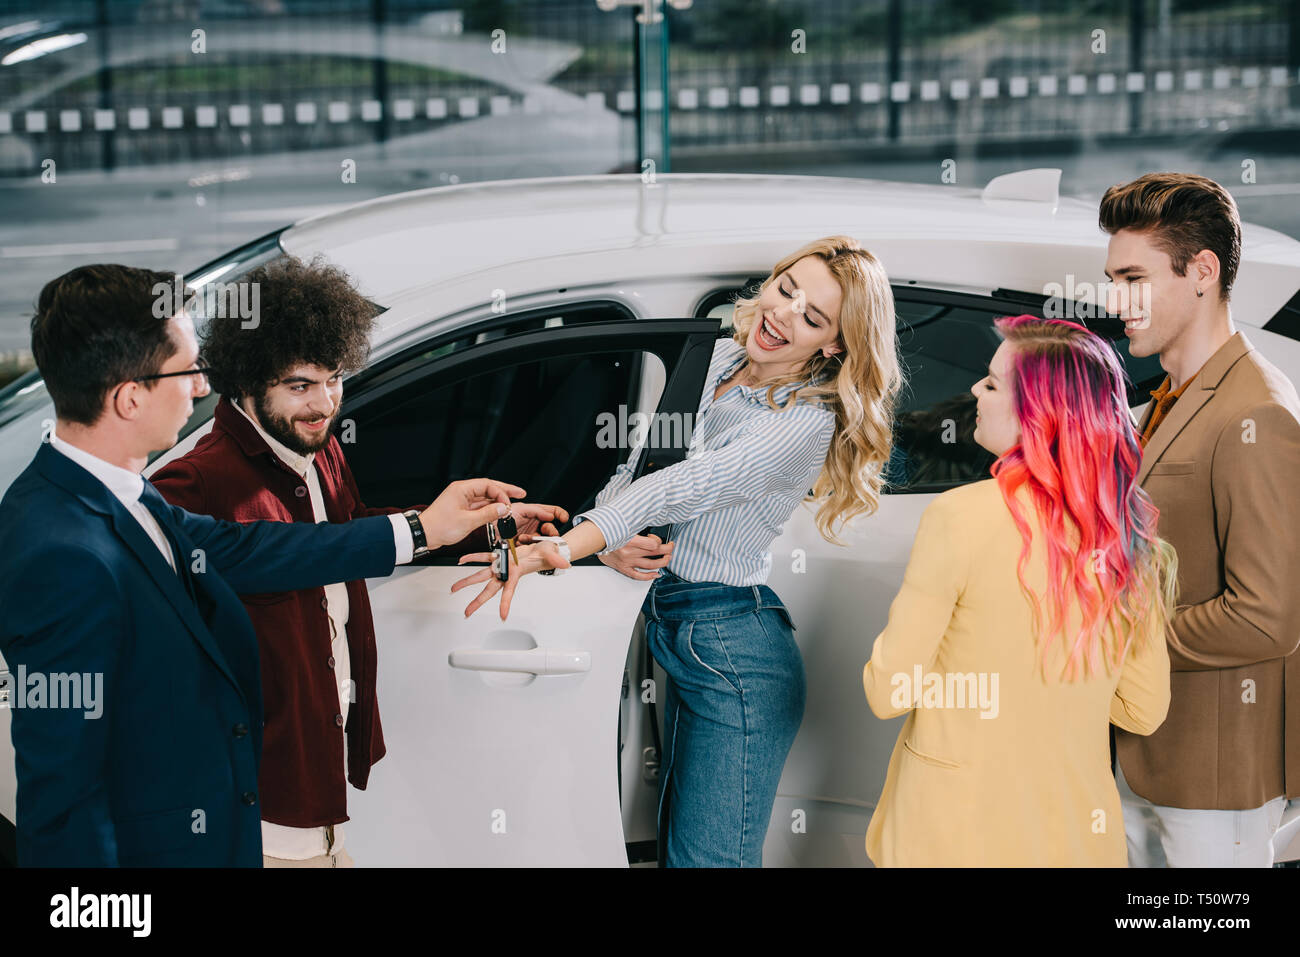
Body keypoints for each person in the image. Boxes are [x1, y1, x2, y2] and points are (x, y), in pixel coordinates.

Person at [0, 263, 530, 866]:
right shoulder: (59, 548)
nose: (203, 388)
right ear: (128, 397)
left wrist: (427, 527)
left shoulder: (122, 494)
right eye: (189, 372)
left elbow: (252, 549)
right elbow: (62, 789)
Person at [453, 236, 903, 867]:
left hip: (735, 654)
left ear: (833, 346)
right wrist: (605, 544)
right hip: (679, 633)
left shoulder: (806, 419)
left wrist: (561, 548)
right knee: (677, 855)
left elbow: (685, 485)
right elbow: (639, 468)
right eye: (787, 288)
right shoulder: (715, 360)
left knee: (706, 863)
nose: (783, 313)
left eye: (813, 317)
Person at [150, 256, 565, 868]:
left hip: (321, 790)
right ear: (244, 382)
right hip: (251, 811)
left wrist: (481, 522)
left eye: (336, 378)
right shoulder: (190, 485)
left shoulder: (314, 450)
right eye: (300, 385)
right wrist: (422, 526)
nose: (325, 404)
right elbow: (287, 556)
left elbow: (347, 533)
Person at [863, 315, 1177, 866]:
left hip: (952, 838)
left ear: (1039, 414)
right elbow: (1143, 711)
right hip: (1076, 840)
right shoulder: (1133, 544)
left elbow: (888, 691)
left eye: (992, 383)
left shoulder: (958, 517)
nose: (975, 392)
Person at [1100, 172, 1300, 867]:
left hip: (1211, 778)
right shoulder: (1164, 399)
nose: (1114, 299)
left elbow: (1266, 615)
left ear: (1203, 272)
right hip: (1145, 753)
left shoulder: (1257, 412)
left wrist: (1115, 644)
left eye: (1132, 277)